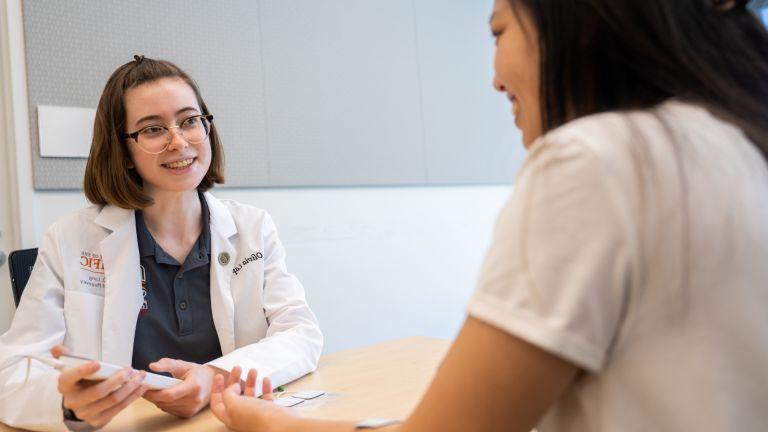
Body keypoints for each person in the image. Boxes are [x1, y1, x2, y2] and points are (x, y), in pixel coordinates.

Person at [209, 0, 768, 431]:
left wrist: (272, 423)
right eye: (152, 129)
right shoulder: (740, 145)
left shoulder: (597, 161)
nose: (494, 79)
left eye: (499, 31)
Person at [0, 56, 323, 431]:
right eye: (153, 129)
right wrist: (70, 407)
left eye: (189, 121)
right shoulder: (70, 240)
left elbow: (301, 333)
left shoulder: (252, 228)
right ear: (124, 152)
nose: (179, 141)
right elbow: (11, 374)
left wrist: (214, 376)